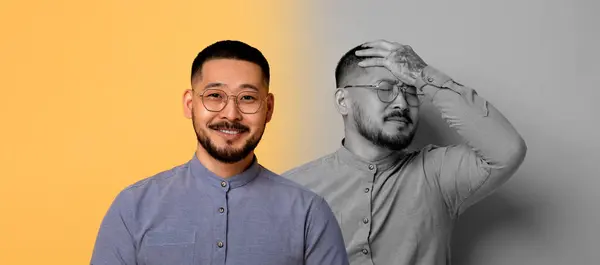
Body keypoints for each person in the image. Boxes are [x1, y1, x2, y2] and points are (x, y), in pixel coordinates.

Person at [90, 40, 349, 265]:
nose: (230, 114)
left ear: (268, 108)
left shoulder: (309, 213)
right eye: (215, 95)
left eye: (247, 98)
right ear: (190, 104)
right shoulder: (133, 207)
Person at [282, 39, 527, 265]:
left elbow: (506, 150)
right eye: (384, 88)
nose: (401, 103)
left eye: (411, 92)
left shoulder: (437, 174)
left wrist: (421, 74)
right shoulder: (294, 191)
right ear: (342, 101)